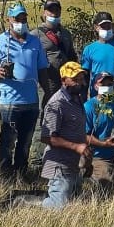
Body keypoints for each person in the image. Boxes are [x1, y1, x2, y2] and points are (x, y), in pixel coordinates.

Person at [0, 3, 49, 179]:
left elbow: (42, 68)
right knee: (8, 140)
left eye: (23, 18)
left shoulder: (34, 41)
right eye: (17, 19)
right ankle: (5, 175)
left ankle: (22, 173)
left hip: (31, 100)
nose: (21, 22)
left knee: (25, 141)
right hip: (9, 100)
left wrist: (47, 92)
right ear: (9, 20)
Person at [31, 0, 78, 168]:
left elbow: (72, 57)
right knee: (43, 119)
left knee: (62, 119)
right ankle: (36, 161)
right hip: (45, 84)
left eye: (56, 11)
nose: (53, 14)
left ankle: (58, 157)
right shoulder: (35, 34)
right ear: (44, 13)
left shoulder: (65, 34)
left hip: (65, 84)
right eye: (50, 11)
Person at [40, 61, 90, 208]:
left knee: (74, 205)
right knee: (58, 208)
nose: (79, 83)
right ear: (63, 80)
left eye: (81, 79)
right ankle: (22, 203)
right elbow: (47, 137)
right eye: (75, 80)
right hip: (59, 165)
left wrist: (86, 157)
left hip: (75, 164)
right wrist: (76, 147)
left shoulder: (77, 99)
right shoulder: (56, 104)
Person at [84, 71, 114, 194]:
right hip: (95, 156)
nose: (107, 87)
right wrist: (103, 144)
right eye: (103, 84)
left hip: (113, 156)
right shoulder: (89, 107)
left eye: (110, 84)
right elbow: (84, 136)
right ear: (96, 86)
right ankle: (87, 173)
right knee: (107, 190)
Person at [80, 11, 114, 97]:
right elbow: (85, 76)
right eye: (103, 26)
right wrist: (83, 97)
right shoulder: (89, 49)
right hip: (97, 95)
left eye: (108, 26)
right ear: (96, 27)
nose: (106, 29)